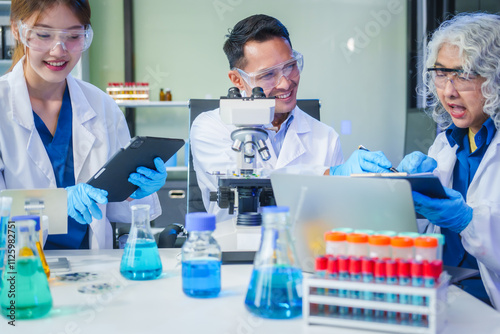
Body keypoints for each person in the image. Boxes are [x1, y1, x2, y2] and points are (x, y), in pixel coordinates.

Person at [190, 14, 393, 222]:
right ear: (237, 80)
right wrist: (329, 176)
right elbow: (244, 188)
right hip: (235, 248)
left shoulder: (325, 137)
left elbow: (338, 214)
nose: (286, 83)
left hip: (305, 250)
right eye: (268, 75)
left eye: (290, 66)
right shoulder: (210, 127)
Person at [0, 0, 166, 249]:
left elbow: (115, 209)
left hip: (92, 267)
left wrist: (134, 189)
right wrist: (58, 203)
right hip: (17, 266)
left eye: (74, 36)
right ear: (17, 30)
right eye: (44, 34)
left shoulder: (101, 105)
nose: (59, 50)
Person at [398, 13, 500, 309]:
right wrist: (401, 192)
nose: (448, 91)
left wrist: (467, 221)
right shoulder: (447, 142)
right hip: (444, 292)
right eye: (441, 74)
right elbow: (424, 232)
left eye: (465, 74)